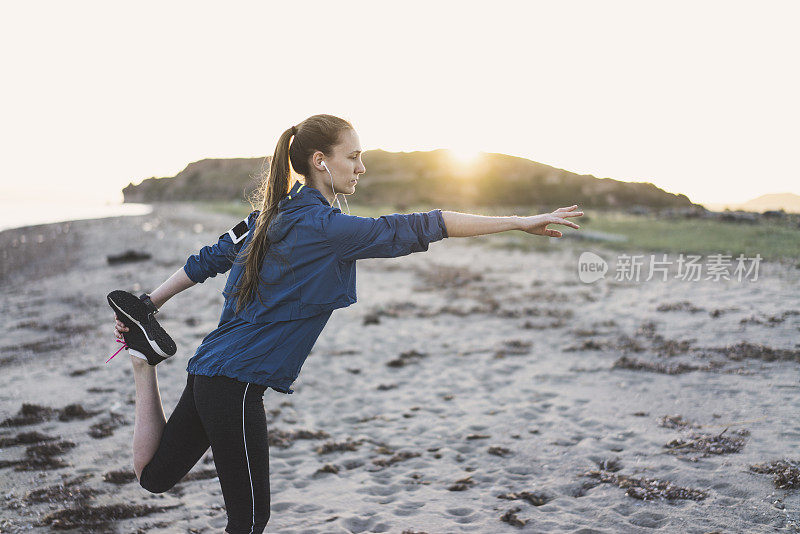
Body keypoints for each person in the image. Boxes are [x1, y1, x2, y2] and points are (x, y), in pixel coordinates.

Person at [112, 113, 583, 533]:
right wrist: (520, 221)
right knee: (250, 520)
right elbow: (427, 224)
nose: (361, 167)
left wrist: (148, 304)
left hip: (210, 369)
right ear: (321, 160)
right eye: (353, 157)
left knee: (154, 478)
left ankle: (143, 365)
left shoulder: (267, 215)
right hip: (233, 382)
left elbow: (208, 259)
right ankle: (144, 360)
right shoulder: (326, 228)